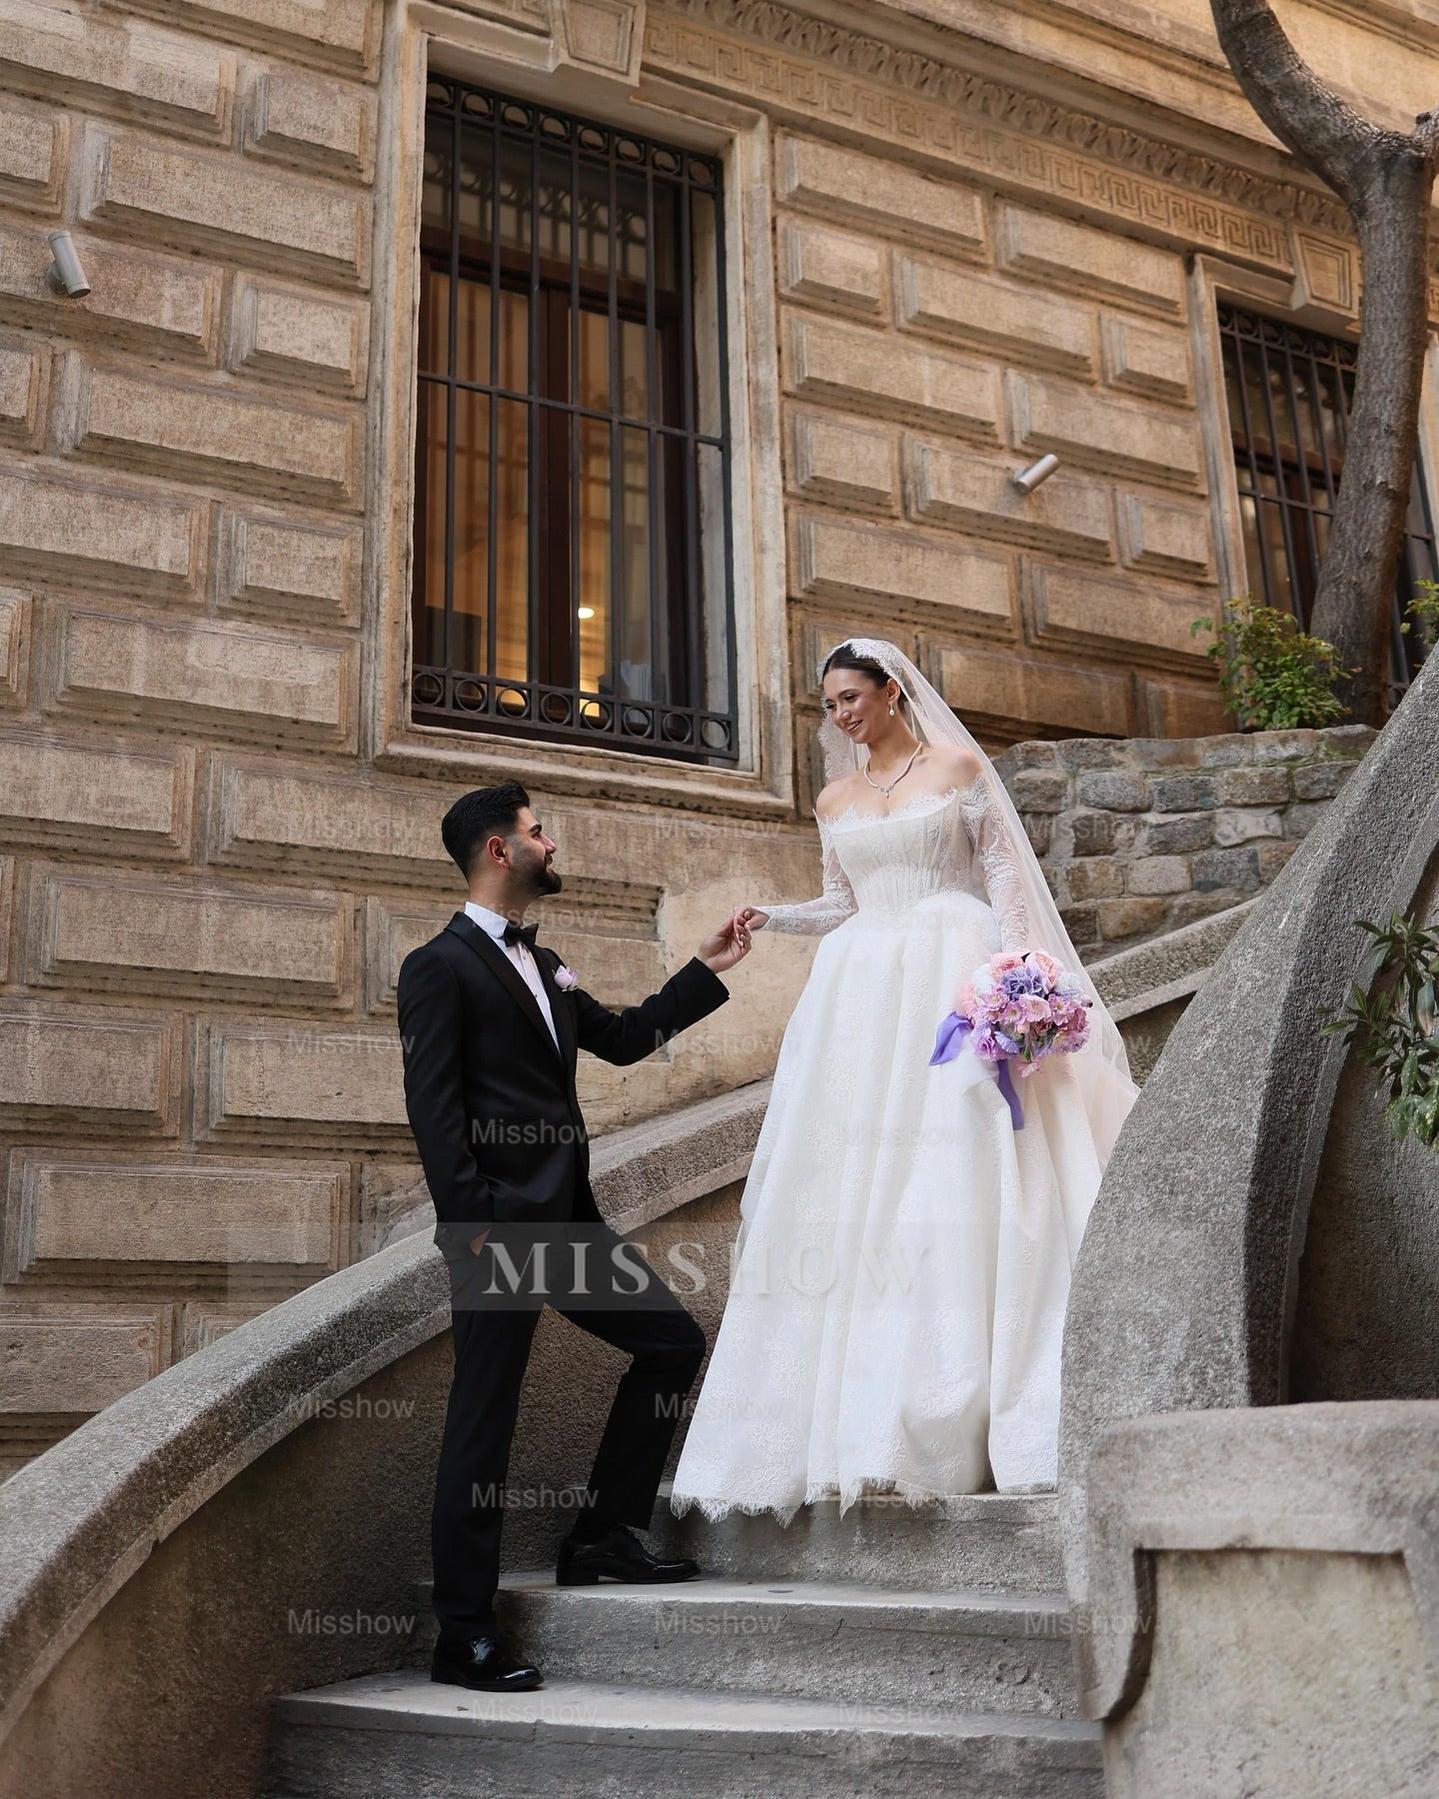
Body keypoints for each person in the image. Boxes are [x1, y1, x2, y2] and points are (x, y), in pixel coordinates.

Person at [670, 638, 1139, 1524]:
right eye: (828, 705)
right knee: (849, 1188)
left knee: (954, 1169)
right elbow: (843, 901)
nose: (840, 715)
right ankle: (858, 1423)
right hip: (856, 997)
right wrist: (773, 918)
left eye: (851, 697)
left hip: (948, 976)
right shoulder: (832, 797)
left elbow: (1008, 890)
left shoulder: (958, 765)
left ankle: (975, 1406)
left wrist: (1019, 985)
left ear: (891, 693)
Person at [398, 781, 750, 1693]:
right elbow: (435, 1116)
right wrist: (474, 1231)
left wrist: (705, 969)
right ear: (497, 850)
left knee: (672, 1343)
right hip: (498, 1234)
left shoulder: (542, 963)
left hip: (569, 1223)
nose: (550, 842)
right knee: (483, 1427)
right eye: (536, 830)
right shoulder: (439, 967)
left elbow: (627, 1038)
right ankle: (463, 1633)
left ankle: (599, 1533)